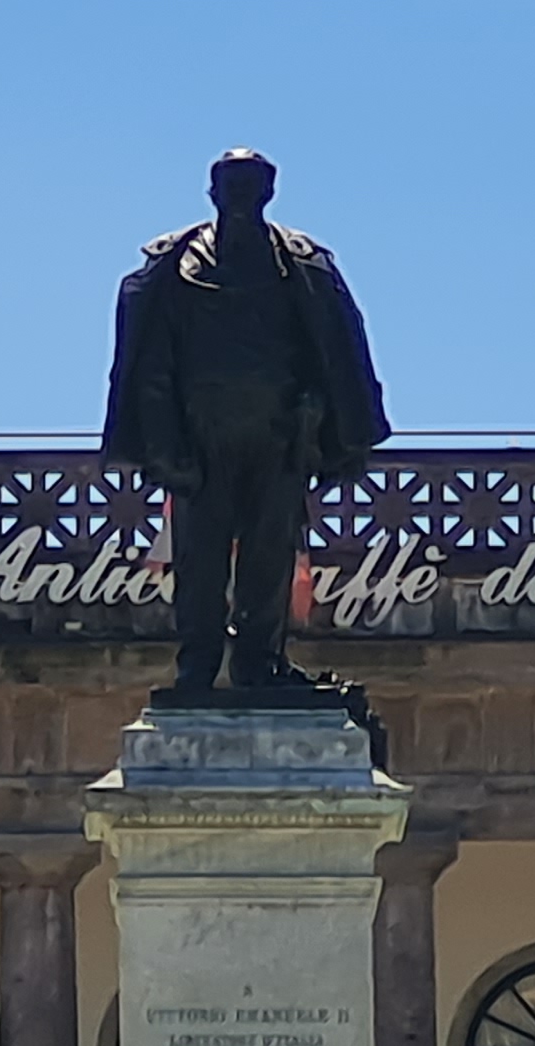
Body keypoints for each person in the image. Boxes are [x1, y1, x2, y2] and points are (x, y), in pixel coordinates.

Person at [99, 150, 390, 693]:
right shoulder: (174, 268)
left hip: (279, 435)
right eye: (231, 184)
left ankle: (259, 662)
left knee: (268, 553)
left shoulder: (303, 265)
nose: (240, 195)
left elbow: (330, 349)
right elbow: (155, 365)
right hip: (201, 436)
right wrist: (164, 445)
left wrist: (325, 417)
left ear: (269, 193)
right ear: (212, 193)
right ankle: (198, 666)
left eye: (250, 185)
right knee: (199, 557)